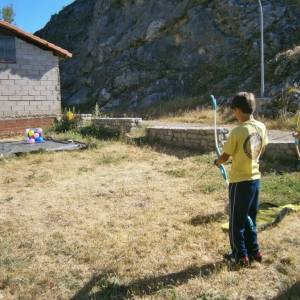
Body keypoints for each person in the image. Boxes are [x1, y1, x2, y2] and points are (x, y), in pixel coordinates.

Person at [214, 92, 268, 266]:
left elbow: (225, 156)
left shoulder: (238, 131)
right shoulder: (261, 126)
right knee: (250, 218)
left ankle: (240, 256)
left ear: (237, 110)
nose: (234, 114)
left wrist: (217, 162)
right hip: (255, 180)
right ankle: (255, 252)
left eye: (234, 111)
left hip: (240, 183)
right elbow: (262, 148)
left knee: (236, 221)